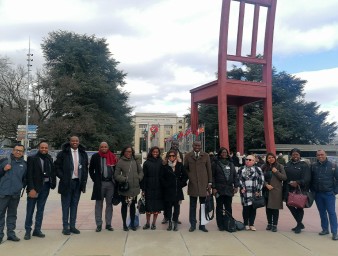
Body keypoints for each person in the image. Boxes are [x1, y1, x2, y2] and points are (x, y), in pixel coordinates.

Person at [55, 136, 88, 235]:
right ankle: (65, 226)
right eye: (73, 141)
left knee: (74, 205)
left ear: (79, 142)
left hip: (78, 183)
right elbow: (56, 167)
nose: (75, 142)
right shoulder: (63, 153)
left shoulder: (83, 154)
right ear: (69, 142)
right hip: (66, 183)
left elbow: (85, 168)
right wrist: (63, 177)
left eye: (76, 141)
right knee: (65, 205)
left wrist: (84, 181)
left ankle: (72, 226)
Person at [24, 142, 56, 240]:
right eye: (42, 147)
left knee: (40, 210)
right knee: (30, 210)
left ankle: (37, 230)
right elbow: (29, 175)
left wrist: (53, 183)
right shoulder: (32, 158)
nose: (44, 149)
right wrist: (31, 189)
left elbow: (52, 172)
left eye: (46, 148)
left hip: (45, 187)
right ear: (39, 148)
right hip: (34, 188)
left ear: (48, 148)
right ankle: (28, 231)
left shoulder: (49, 158)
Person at [0, 144, 27, 243]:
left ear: (23, 152)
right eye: (16, 150)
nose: (18, 152)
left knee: (12, 214)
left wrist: (19, 187)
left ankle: (11, 234)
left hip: (15, 194)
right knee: (0, 214)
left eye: (20, 151)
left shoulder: (24, 164)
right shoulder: (4, 161)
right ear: (12, 150)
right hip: (3, 193)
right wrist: (3, 169)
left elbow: (25, 179)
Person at [89, 142, 118, 232]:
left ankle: (108, 224)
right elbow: (91, 170)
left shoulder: (113, 156)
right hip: (100, 184)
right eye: (102, 147)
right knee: (99, 205)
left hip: (110, 184)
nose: (104, 148)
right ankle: (99, 224)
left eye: (105, 147)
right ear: (99, 147)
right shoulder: (95, 157)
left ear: (108, 147)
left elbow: (116, 170)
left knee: (109, 204)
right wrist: (95, 180)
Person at [184, 140, 212, 232]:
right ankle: (192, 224)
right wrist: (190, 176)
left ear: (201, 146)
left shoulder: (206, 156)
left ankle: (202, 224)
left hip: (204, 184)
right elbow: (185, 169)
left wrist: (209, 183)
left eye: (199, 145)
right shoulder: (188, 156)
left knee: (203, 205)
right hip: (193, 184)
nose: (197, 147)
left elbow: (209, 170)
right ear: (192, 145)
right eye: (195, 145)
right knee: (192, 206)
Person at [114, 146, 143, 231]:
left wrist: (139, 178)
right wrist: (124, 179)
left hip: (135, 189)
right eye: (127, 151)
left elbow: (141, 171)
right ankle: (124, 225)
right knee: (124, 206)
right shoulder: (120, 162)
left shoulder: (135, 160)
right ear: (124, 152)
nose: (129, 153)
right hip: (126, 189)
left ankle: (132, 224)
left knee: (133, 207)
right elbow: (116, 175)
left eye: (130, 151)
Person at [311, 149, 338, 240]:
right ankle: (325, 229)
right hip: (318, 194)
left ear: (325, 154)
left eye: (322, 154)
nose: (320, 156)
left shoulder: (333, 166)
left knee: (331, 213)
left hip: (329, 193)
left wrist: (335, 191)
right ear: (316, 156)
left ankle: (335, 232)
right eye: (318, 155)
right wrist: (313, 190)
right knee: (322, 212)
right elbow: (311, 179)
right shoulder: (313, 166)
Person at [212, 147, 239, 231]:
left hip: (229, 188)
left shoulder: (231, 163)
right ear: (220, 153)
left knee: (228, 207)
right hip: (219, 188)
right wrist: (213, 187)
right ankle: (220, 224)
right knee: (219, 207)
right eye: (223, 152)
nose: (224, 154)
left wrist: (236, 186)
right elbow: (212, 176)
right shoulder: (215, 163)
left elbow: (235, 175)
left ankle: (228, 222)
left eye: (226, 152)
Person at [284, 148, 311, 234]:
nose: (295, 156)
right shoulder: (287, 164)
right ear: (291, 155)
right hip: (289, 189)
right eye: (293, 154)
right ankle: (300, 223)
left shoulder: (304, 165)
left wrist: (298, 182)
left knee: (299, 207)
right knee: (289, 205)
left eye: (297, 154)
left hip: (300, 189)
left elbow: (307, 178)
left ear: (299, 155)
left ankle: (299, 225)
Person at [161, 149, 188, 231]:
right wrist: (165, 185)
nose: (171, 157)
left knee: (176, 207)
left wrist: (181, 184)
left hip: (177, 189)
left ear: (176, 156)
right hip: (168, 190)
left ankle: (175, 221)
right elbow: (161, 177)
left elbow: (185, 176)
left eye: (173, 156)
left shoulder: (180, 165)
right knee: (168, 207)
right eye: (170, 156)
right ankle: (169, 222)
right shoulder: (165, 166)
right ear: (167, 157)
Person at [261, 152, 287, 232]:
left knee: (275, 208)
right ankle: (269, 223)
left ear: (275, 158)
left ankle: (275, 225)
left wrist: (276, 172)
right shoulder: (263, 167)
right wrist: (265, 184)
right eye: (269, 158)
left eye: (272, 157)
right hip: (266, 189)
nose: (271, 159)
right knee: (268, 208)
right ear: (267, 159)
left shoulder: (280, 166)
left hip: (276, 190)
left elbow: (284, 178)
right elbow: (260, 178)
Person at [238, 154, 264, 231]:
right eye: (247, 159)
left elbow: (261, 180)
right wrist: (242, 187)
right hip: (245, 192)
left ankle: (251, 224)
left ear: (254, 161)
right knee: (246, 208)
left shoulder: (258, 169)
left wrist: (259, 190)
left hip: (254, 191)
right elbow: (239, 179)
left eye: (250, 160)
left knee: (253, 208)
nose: (248, 161)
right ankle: (246, 223)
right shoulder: (241, 169)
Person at [141, 146, 163, 230]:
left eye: (157, 152)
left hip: (158, 187)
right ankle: (147, 223)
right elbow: (144, 177)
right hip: (149, 187)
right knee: (148, 206)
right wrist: (143, 189)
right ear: (151, 152)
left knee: (156, 206)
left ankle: (154, 223)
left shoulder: (161, 162)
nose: (155, 153)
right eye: (154, 152)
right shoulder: (146, 163)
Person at [162, 140, 183, 225]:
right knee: (167, 203)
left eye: (176, 144)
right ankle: (166, 217)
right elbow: (163, 166)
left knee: (177, 204)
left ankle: (176, 218)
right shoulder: (166, 153)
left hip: (177, 184)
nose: (175, 145)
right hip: (168, 183)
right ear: (171, 145)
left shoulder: (180, 154)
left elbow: (182, 168)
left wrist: (181, 183)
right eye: (174, 144)